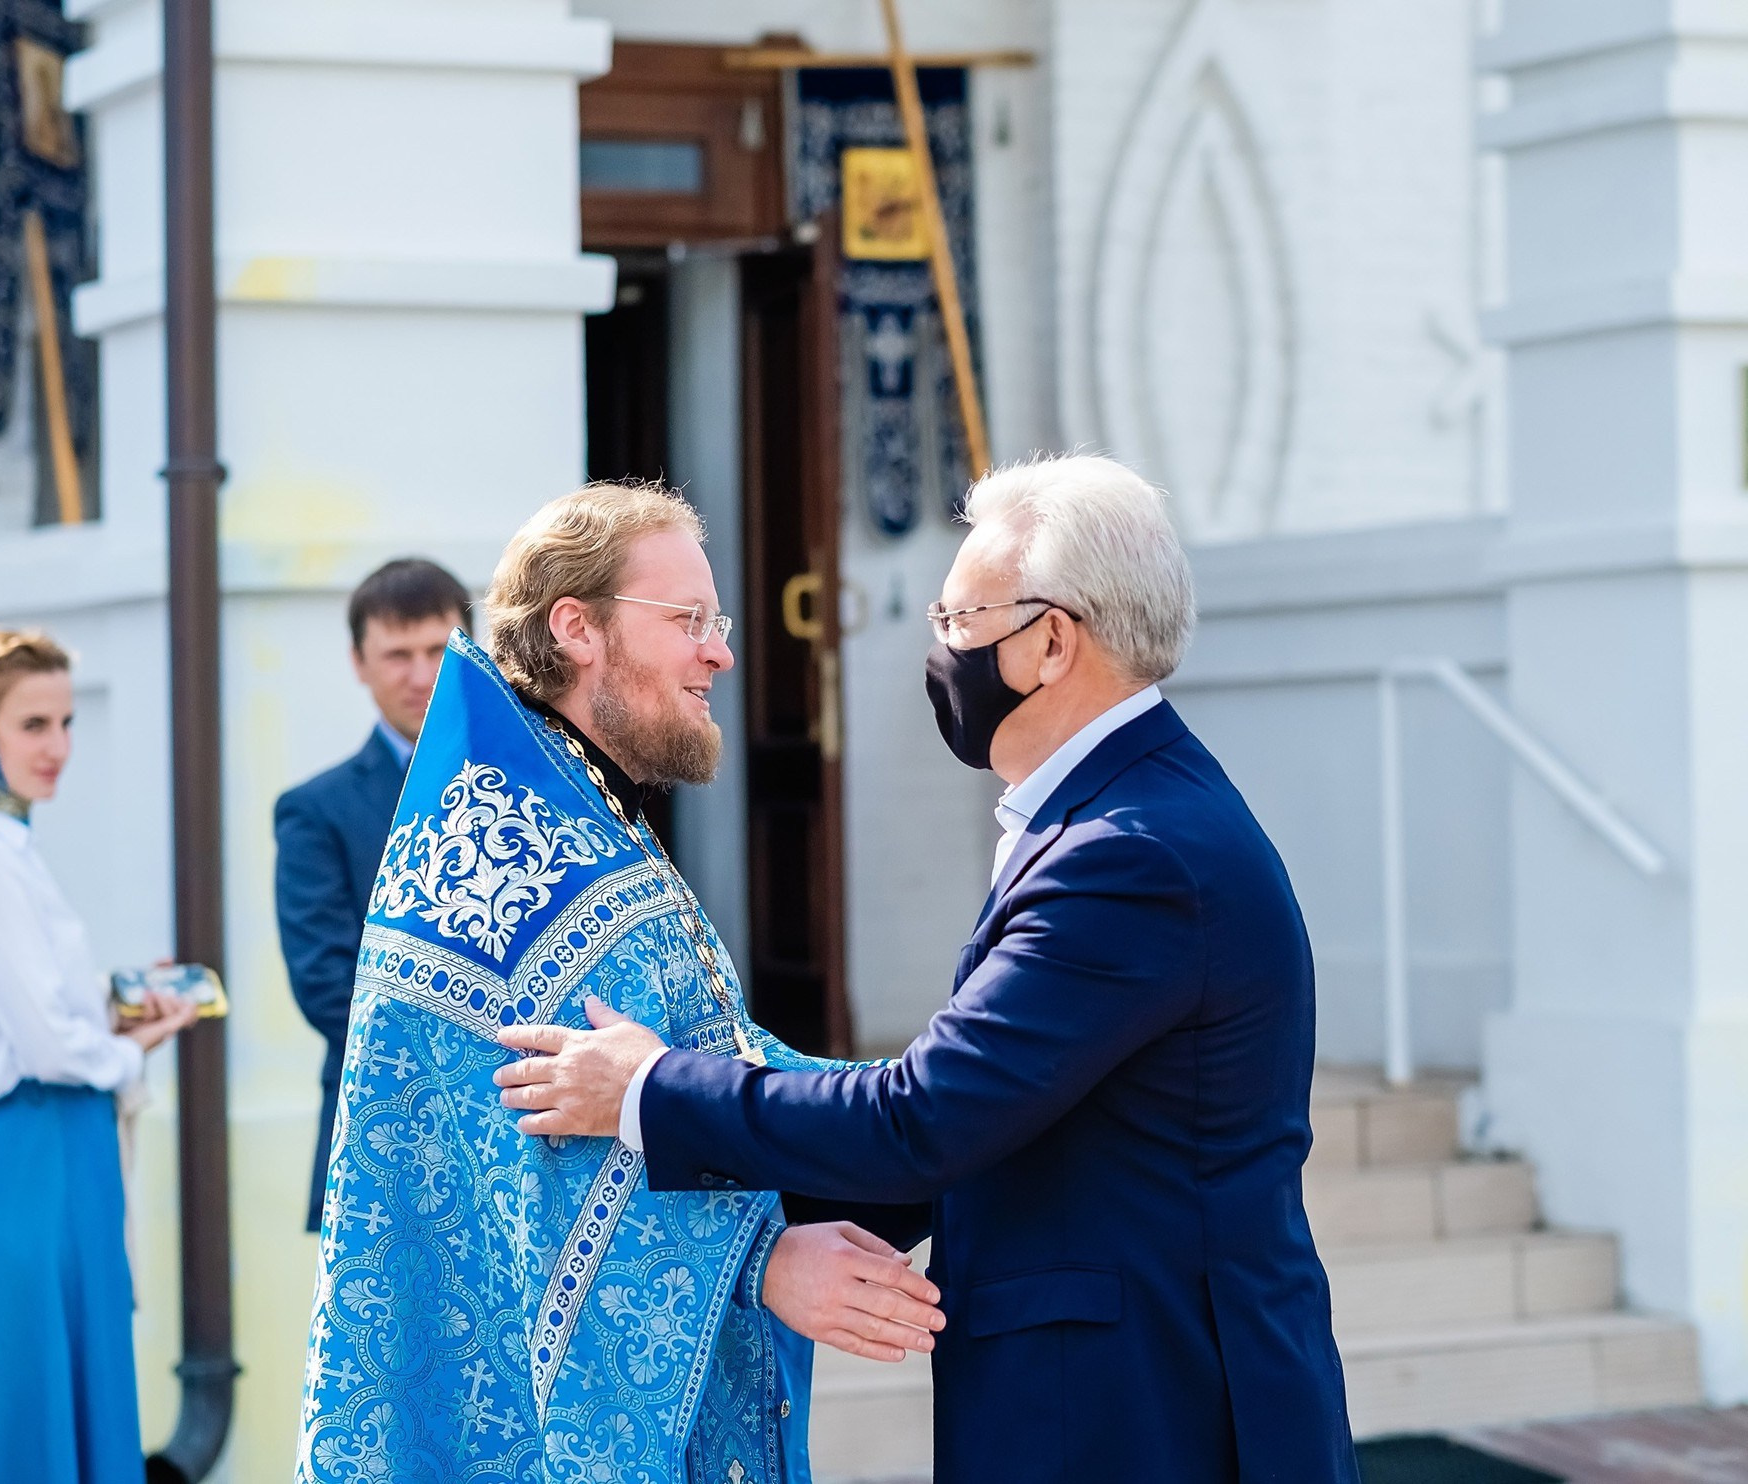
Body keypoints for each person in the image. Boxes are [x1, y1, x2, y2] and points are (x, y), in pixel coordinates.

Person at [493, 455, 1364, 1482]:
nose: (937, 649)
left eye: (956, 621)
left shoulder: (1129, 853)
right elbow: (999, 1121)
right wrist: (755, 1248)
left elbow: (924, 1116)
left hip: (1145, 1408)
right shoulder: (1115, 817)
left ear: (1047, 640)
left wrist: (643, 1087)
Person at [294, 484, 942, 1484]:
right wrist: (760, 1259)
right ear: (576, 628)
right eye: (688, 621)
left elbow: (716, 1060)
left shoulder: (582, 811)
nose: (718, 653)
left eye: (713, 623)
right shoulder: (505, 854)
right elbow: (529, 1161)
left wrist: (926, 1107)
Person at [0, 628, 199, 1484]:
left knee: (55, 1412)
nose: (58, 747)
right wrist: (122, 1053)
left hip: (50, 1153)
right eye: (33, 725)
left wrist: (114, 1027)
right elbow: (45, 1045)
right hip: (32, 1161)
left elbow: (44, 1023)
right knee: (28, 1428)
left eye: (65, 722)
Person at [275, 557, 471, 1231]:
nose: (421, 676)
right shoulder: (314, 811)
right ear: (359, 663)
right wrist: (463, 1066)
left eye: (437, 650)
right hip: (379, 1125)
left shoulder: (532, 786)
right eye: (396, 655)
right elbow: (325, 984)